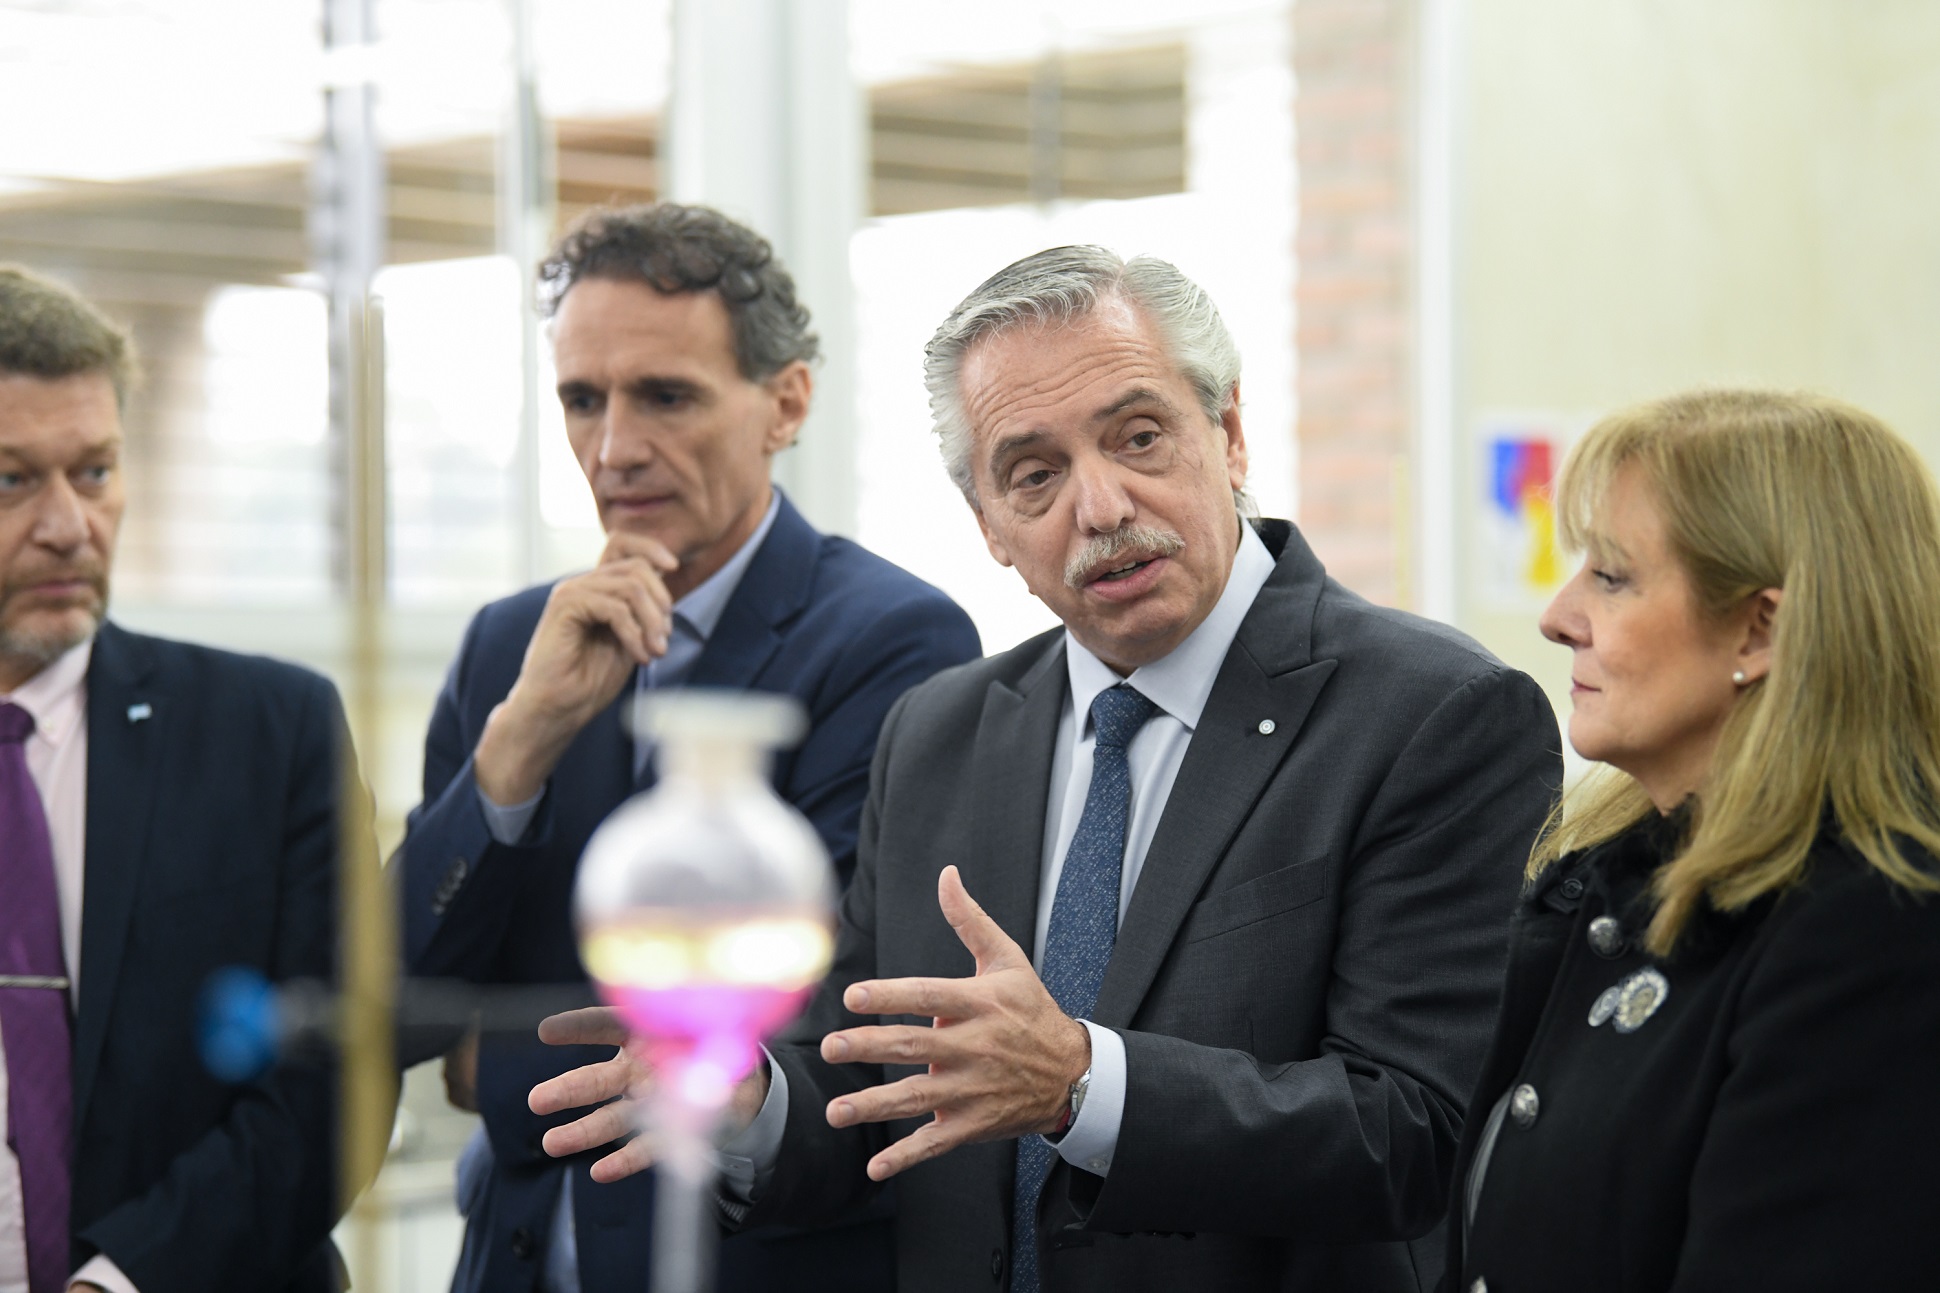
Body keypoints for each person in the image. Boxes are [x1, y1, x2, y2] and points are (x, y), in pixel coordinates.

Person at [533, 245, 1561, 1291]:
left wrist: (1082, 1084)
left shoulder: (1434, 714)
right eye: (1034, 474)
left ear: (1231, 433)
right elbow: (870, 1096)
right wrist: (742, 1096)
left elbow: (1417, 1134)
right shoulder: (936, 731)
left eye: (1139, 437)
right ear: (988, 526)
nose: (1103, 506)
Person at [393, 203, 981, 1293]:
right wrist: (516, 747)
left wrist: (496, 1055)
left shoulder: (892, 639)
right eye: (582, 399)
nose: (613, 449)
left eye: (664, 395)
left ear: (785, 402)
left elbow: (824, 1013)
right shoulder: (506, 647)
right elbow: (386, 1007)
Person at [1444, 390, 1940, 1293]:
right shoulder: (1607, 878)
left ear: (1763, 628)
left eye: (1613, 576)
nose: (1557, 615)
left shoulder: (1878, 929)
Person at [0, 267, 353, 1293]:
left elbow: (331, 1076)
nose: (70, 525)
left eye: (96, 472)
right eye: (10, 480)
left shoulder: (268, 732)